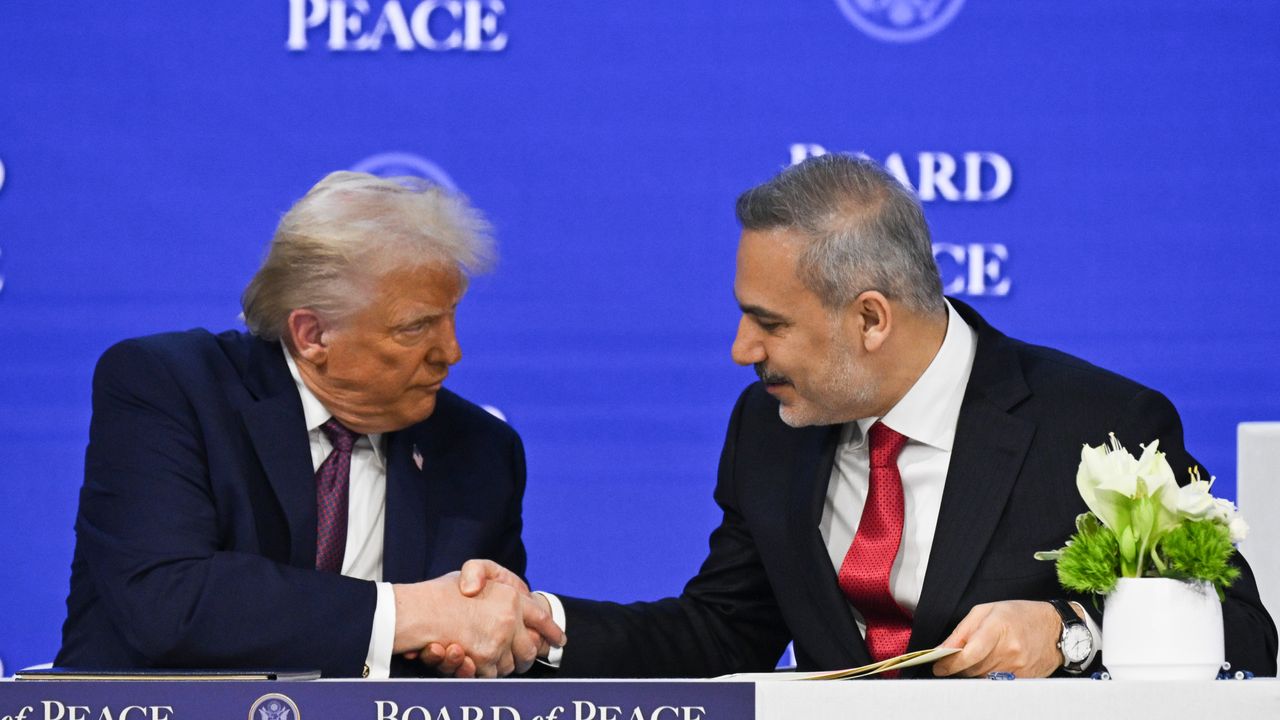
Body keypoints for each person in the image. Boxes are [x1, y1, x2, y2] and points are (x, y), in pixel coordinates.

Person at [445, 154, 1276, 678]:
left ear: (871, 319)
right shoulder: (767, 428)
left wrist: (1069, 636)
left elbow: (1247, 636)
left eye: (769, 323)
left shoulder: (1097, 425)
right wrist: (544, 624)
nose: (741, 349)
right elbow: (723, 633)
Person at [56, 171, 564, 678]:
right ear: (313, 334)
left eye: (451, 316)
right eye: (416, 327)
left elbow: (485, 653)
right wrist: (412, 613)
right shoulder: (171, 388)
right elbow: (169, 600)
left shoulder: (480, 451)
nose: (451, 352)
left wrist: (480, 641)